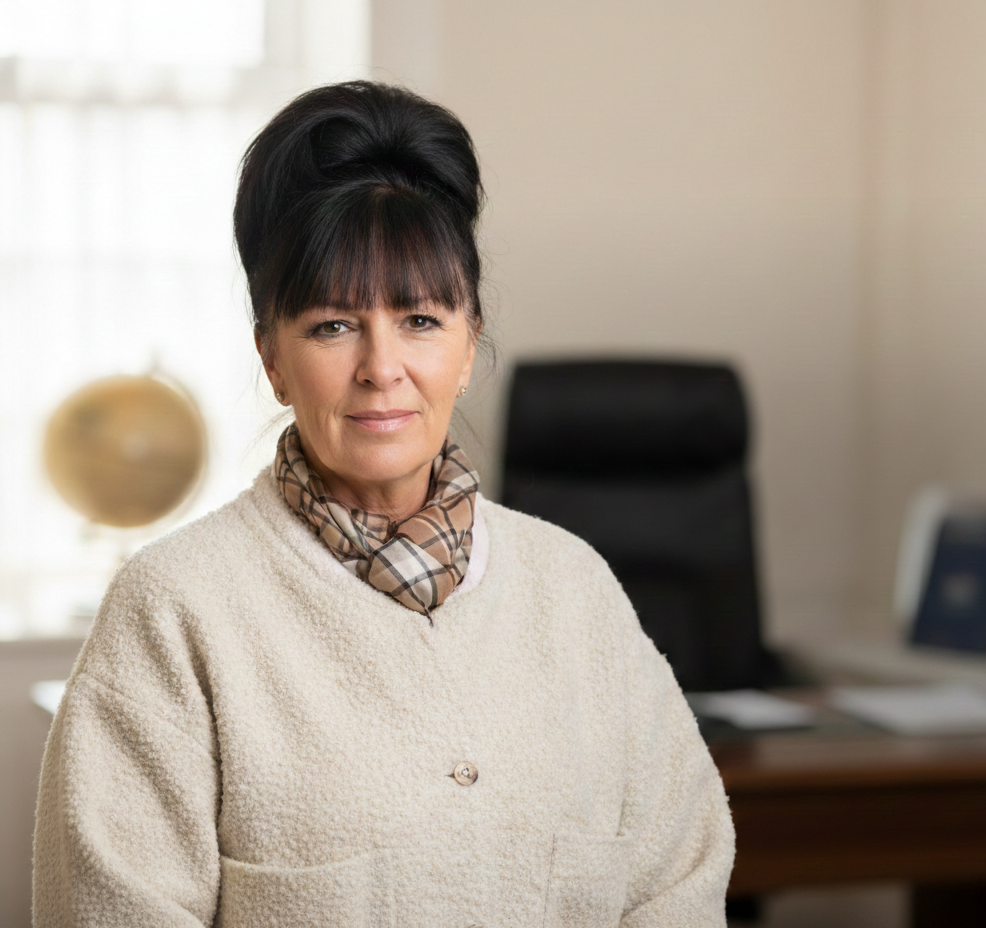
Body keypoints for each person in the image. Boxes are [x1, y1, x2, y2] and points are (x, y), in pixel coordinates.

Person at [33, 81, 734, 927]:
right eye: (333, 326)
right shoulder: (174, 609)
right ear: (273, 359)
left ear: (470, 343)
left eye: (420, 320)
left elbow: (680, 881)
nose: (381, 367)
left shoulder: (573, 586)